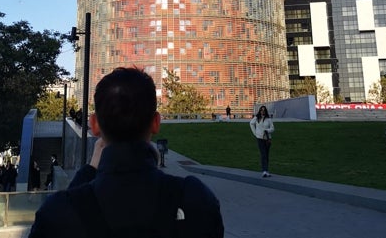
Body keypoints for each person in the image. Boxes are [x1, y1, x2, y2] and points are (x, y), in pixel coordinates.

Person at [29, 66, 224, 237]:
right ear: (156, 123)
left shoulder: (57, 213)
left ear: (94, 125)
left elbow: (71, 208)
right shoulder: (195, 200)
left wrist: (89, 170)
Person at [250, 104, 275, 178]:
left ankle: (266, 171)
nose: (262, 111)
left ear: (265, 111)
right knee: (263, 154)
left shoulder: (268, 119)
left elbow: (273, 128)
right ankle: (264, 171)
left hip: (267, 139)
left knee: (266, 155)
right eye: (261, 110)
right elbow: (251, 124)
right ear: (260, 111)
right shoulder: (256, 118)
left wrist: (267, 131)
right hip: (260, 139)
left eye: (264, 110)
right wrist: (255, 133)